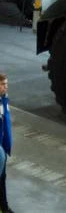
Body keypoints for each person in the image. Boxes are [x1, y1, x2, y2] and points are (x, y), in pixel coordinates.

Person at [0, 74, 10, 213]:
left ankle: (4, 206)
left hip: (2, 146)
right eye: (3, 84)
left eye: (6, 84)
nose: (6, 86)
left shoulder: (4, 100)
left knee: (2, 178)